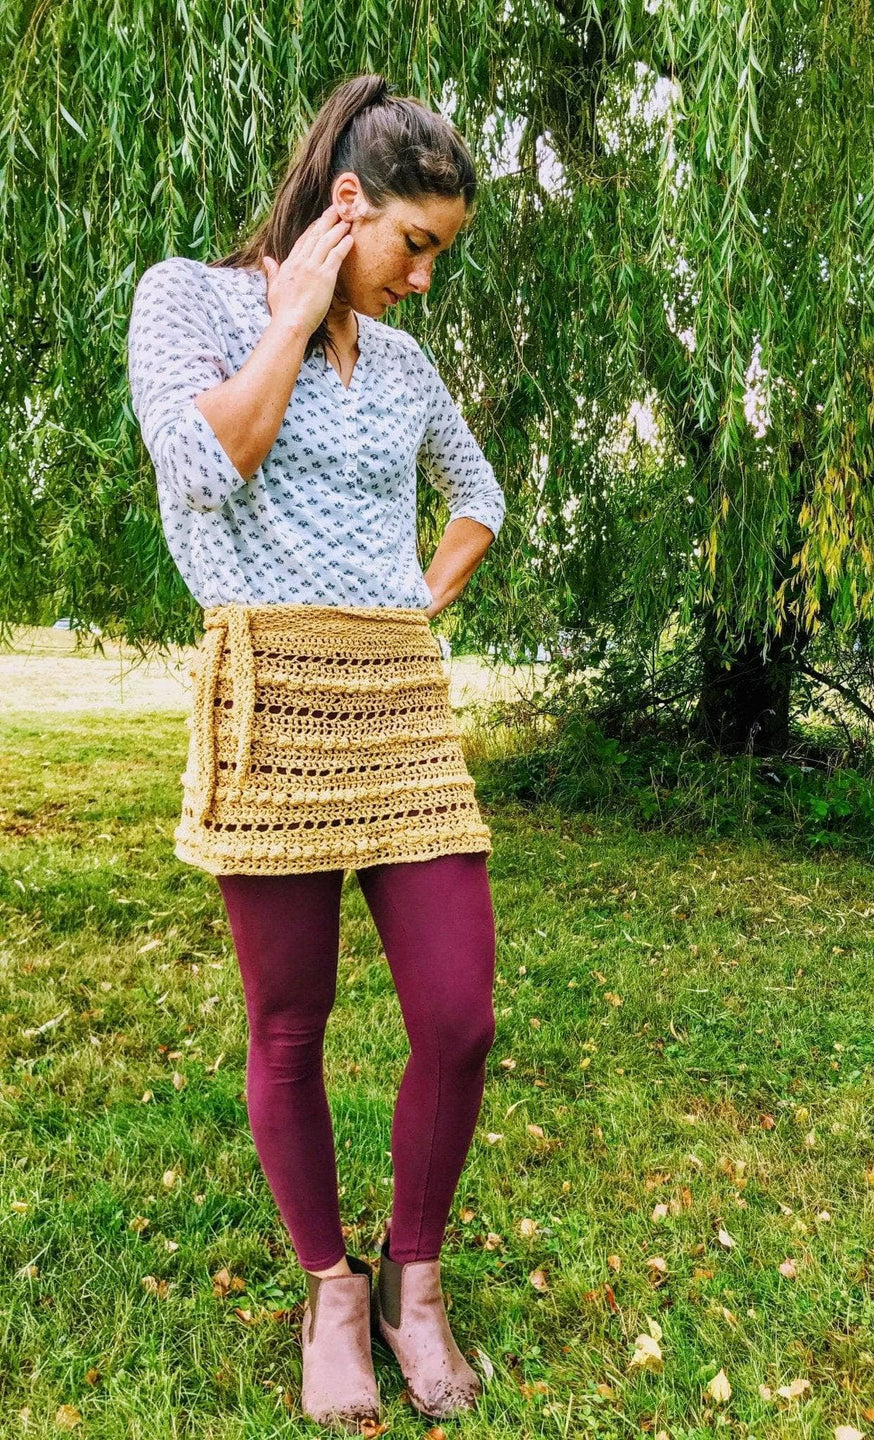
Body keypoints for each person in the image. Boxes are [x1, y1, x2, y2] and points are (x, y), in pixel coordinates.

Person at [126, 73, 505, 1429]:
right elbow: (201, 464)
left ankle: (416, 1277)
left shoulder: (406, 365)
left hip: (398, 705)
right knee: (291, 1022)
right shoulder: (188, 297)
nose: (422, 281)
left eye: (438, 257)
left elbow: (483, 496)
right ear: (349, 205)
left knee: (460, 1014)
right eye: (416, 246)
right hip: (271, 697)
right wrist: (289, 318)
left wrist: (415, 601)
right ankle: (331, 1292)